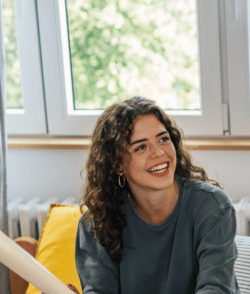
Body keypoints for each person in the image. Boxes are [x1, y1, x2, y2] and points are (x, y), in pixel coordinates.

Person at [73, 96, 240, 293]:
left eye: (163, 139)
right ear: (117, 164)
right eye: (141, 147)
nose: (159, 153)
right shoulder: (97, 223)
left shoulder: (212, 207)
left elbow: (215, 290)